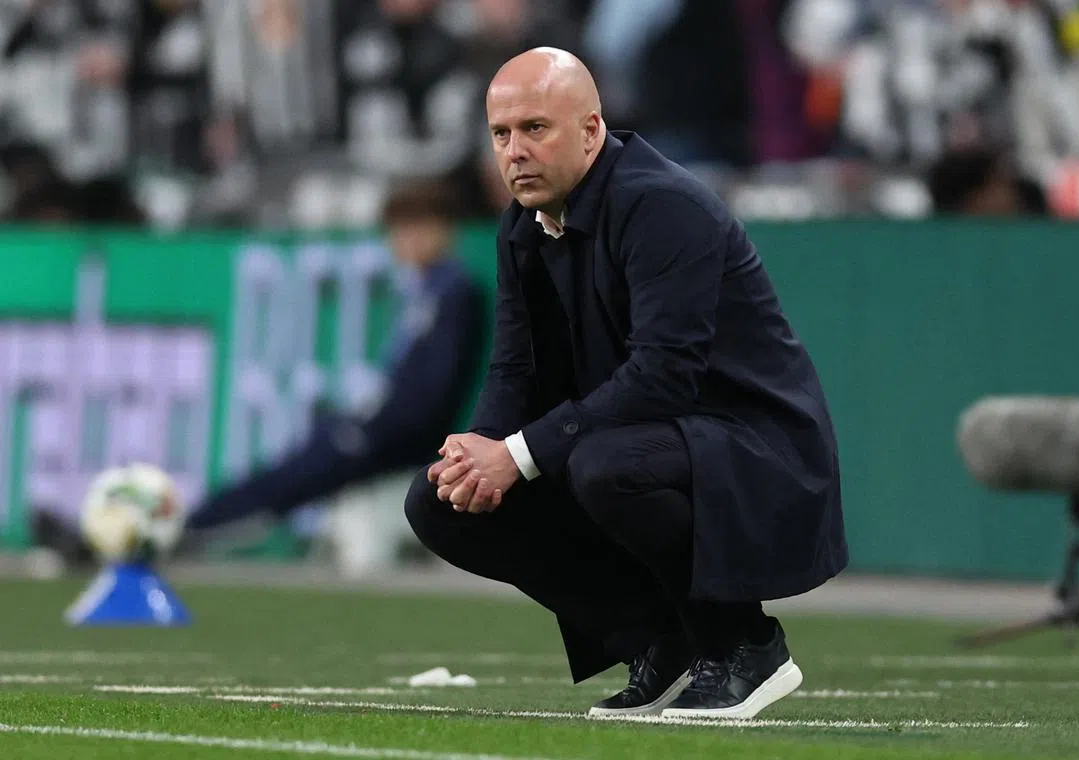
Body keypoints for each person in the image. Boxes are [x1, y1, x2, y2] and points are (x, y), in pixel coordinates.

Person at [403, 48, 847, 720]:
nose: (514, 152)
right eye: (501, 134)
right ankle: (655, 636)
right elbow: (515, 368)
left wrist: (517, 455)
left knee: (603, 467)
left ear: (591, 130)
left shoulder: (663, 206)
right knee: (439, 501)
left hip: (757, 451)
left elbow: (664, 375)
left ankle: (745, 645)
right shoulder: (521, 224)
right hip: (640, 439)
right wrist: (480, 450)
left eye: (535, 129)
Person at [187, 179, 486, 533]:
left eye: (418, 227)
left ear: (444, 230)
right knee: (307, 452)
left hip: (402, 435)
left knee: (311, 464)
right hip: (383, 425)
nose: (406, 239)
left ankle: (208, 523)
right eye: (399, 229)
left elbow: (432, 393)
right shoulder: (422, 289)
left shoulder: (454, 292)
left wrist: (372, 427)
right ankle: (209, 517)